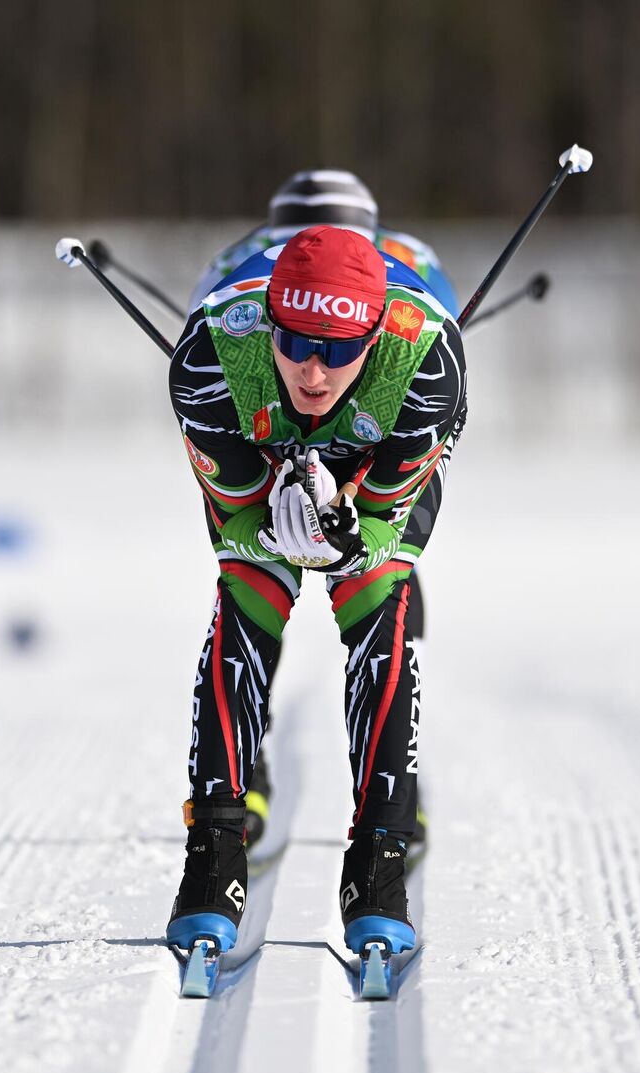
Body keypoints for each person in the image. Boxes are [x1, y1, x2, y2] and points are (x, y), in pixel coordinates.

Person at [164, 225, 467, 959]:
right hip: (255, 444)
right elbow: (237, 499)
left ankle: (380, 855)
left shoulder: (426, 362)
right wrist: (280, 500)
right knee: (249, 595)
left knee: (374, 597)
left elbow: (388, 506)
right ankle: (214, 850)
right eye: (296, 343)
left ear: (372, 336)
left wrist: (346, 520)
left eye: (337, 349)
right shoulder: (207, 358)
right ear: (268, 321)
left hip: (378, 451)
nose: (314, 372)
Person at [193, 171, 452, 855]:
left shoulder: (408, 264)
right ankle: (256, 771)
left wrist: (360, 520)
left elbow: (439, 356)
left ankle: (377, 778)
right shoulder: (241, 268)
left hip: (368, 423)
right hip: (273, 419)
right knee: (259, 572)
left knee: (380, 570)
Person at [186, 169, 461, 318]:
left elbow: (446, 316)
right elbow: (201, 311)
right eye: (299, 251)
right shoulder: (236, 260)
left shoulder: (410, 258)